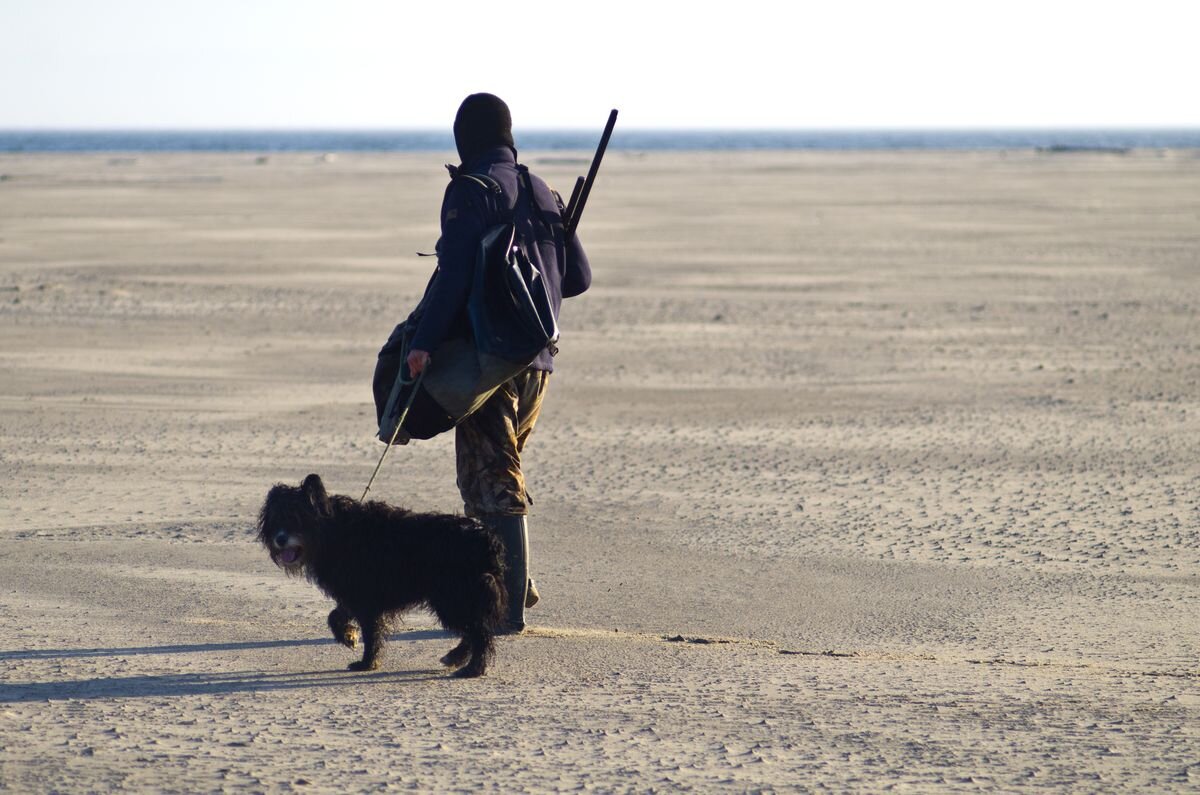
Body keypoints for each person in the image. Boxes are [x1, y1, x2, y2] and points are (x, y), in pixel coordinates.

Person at [405, 93, 591, 633]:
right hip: (539, 365)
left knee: (493, 481)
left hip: (489, 364)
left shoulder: (471, 191)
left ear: (465, 138)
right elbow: (577, 280)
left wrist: (423, 341)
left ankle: (506, 610)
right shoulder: (539, 188)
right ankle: (513, 580)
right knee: (485, 475)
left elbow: (454, 274)